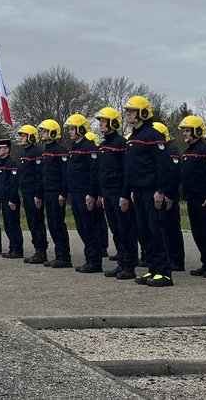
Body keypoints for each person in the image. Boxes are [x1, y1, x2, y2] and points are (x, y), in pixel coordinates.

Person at [122, 95, 176, 287]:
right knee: (144, 232)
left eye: (131, 110)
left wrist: (160, 190)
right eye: (127, 110)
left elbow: (164, 166)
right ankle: (153, 269)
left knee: (156, 230)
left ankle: (164, 272)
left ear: (143, 113)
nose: (128, 114)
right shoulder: (132, 138)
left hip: (152, 191)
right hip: (137, 192)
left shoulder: (153, 136)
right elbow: (129, 168)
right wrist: (127, 192)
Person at [94, 107, 137, 281]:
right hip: (107, 192)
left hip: (119, 192)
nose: (100, 124)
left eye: (103, 121)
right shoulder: (104, 145)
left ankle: (130, 265)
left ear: (112, 123)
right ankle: (121, 261)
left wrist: (125, 194)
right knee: (116, 230)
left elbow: (126, 170)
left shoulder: (121, 143)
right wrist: (101, 194)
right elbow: (101, 171)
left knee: (125, 229)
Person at [178, 115, 206, 278]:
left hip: (204, 200)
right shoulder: (188, 151)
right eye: (184, 131)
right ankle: (205, 263)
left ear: (197, 131)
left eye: (187, 130)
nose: (185, 134)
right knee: (197, 232)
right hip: (192, 199)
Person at [63, 114, 106, 274]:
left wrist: (92, 193)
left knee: (89, 227)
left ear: (81, 129)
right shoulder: (74, 148)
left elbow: (94, 173)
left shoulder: (89, 148)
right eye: (69, 129)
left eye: (72, 129)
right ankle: (90, 259)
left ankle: (94, 261)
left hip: (85, 194)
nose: (70, 132)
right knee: (81, 227)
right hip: (75, 193)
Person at [37, 120, 71, 268]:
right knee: (52, 224)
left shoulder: (60, 151)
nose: (42, 134)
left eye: (44, 131)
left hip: (57, 193)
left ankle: (64, 257)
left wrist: (63, 193)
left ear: (52, 133)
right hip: (48, 193)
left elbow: (65, 175)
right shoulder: (45, 151)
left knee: (58, 224)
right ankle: (59, 255)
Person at [152, 123, 185, 272]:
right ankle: (169, 258)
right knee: (163, 229)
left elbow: (174, 175)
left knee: (172, 229)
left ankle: (177, 261)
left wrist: (170, 195)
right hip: (162, 195)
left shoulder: (171, 152)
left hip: (169, 197)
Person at [16, 125, 47, 265]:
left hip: (34, 195)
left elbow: (40, 176)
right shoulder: (24, 154)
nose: (21, 138)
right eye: (21, 136)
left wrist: (38, 195)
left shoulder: (36, 153)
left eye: (23, 135)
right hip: (27, 194)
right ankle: (37, 250)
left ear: (31, 137)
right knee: (31, 223)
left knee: (37, 222)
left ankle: (41, 252)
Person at [0, 138, 23, 259]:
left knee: (13, 225)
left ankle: (17, 249)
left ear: (6, 149)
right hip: (3, 198)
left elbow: (14, 184)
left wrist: (12, 199)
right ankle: (12, 248)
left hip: (11, 199)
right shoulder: (1, 164)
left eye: (0, 148)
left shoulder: (11, 164)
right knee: (7, 225)